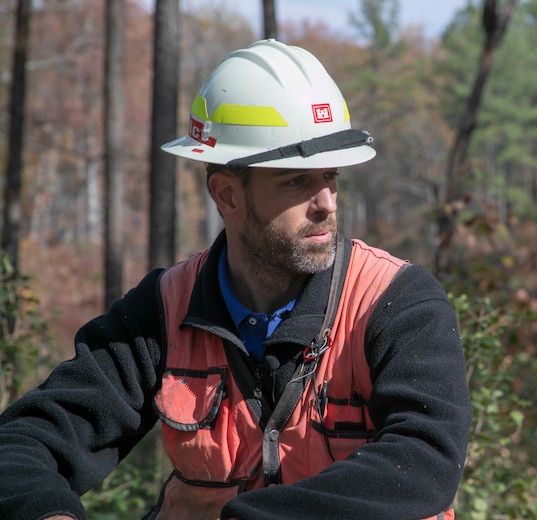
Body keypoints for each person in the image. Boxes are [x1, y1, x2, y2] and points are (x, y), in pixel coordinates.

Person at [0, 39, 472, 520]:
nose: (327, 203)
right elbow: (23, 444)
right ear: (226, 194)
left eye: (331, 176)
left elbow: (425, 460)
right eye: (297, 181)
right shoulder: (167, 309)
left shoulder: (396, 302)